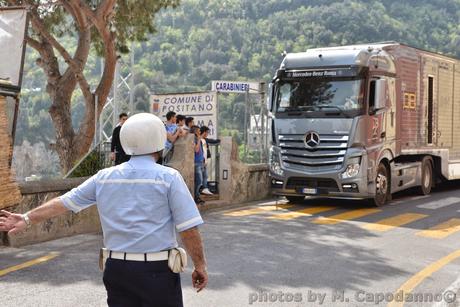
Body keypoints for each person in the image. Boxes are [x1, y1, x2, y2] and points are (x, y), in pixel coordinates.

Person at [0, 113, 208, 307]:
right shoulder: (169, 178)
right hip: (157, 271)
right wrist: (200, 266)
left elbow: (64, 202)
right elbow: (188, 228)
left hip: (117, 269)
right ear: (157, 141)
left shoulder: (104, 177)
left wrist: (27, 218)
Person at [191, 125, 205, 205]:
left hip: (200, 162)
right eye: (199, 131)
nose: (200, 132)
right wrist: (199, 140)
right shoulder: (193, 139)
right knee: (199, 181)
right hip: (196, 163)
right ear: (195, 131)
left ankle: (197, 196)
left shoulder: (197, 139)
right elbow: (196, 150)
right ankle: (196, 197)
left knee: (200, 181)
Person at [199, 126, 213, 195]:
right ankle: (202, 188)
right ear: (204, 132)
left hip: (204, 160)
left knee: (205, 175)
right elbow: (202, 151)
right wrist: (203, 160)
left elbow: (213, 141)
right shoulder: (199, 140)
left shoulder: (205, 140)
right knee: (202, 176)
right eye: (207, 132)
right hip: (201, 161)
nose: (207, 134)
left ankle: (205, 188)